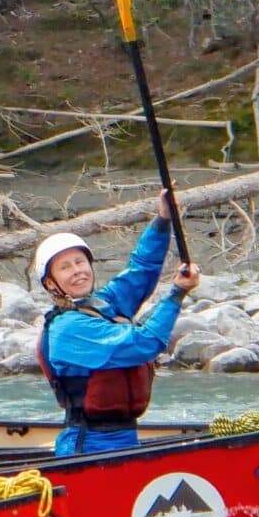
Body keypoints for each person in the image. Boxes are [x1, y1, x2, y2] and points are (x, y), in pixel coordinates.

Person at [33, 190, 200, 455]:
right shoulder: (67, 329)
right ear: (51, 284)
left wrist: (162, 220)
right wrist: (176, 294)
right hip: (87, 445)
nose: (77, 271)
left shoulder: (104, 304)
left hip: (125, 438)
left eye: (80, 262)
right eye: (65, 267)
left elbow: (141, 270)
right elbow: (145, 343)